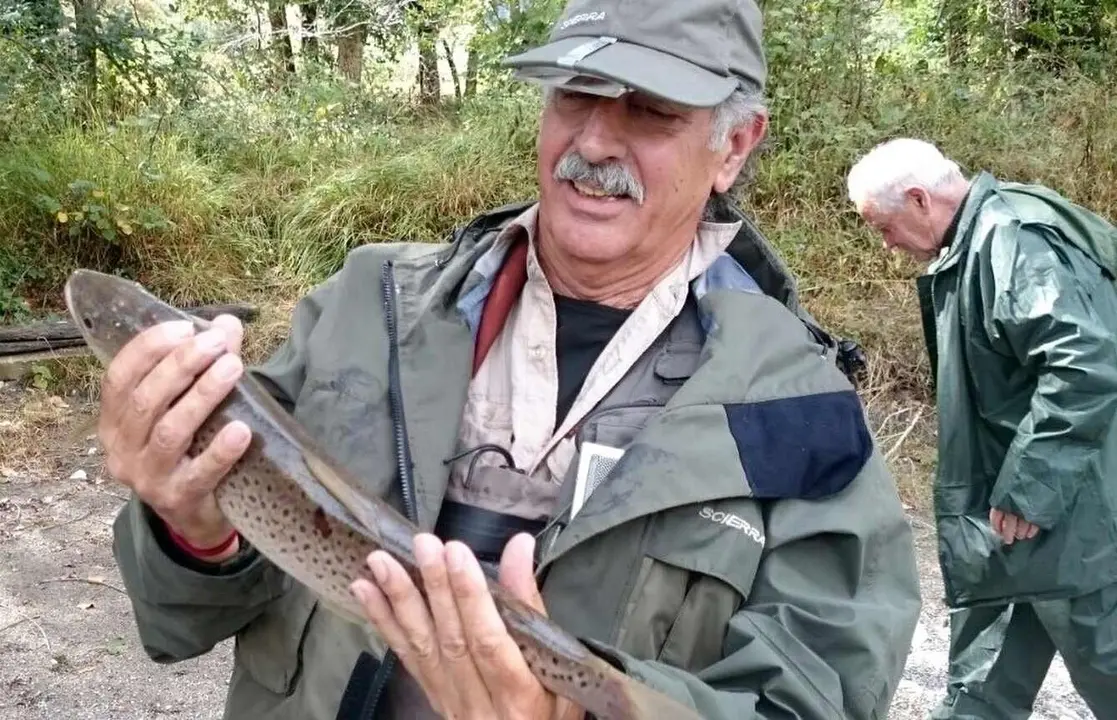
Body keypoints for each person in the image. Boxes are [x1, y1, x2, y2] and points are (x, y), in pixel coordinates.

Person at [96, 1, 922, 718]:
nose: (595, 140)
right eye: (576, 94)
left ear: (734, 144)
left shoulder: (799, 408)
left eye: (652, 111)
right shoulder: (364, 300)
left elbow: (822, 692)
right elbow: (181, 619)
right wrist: (190, 529)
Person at [847, 137, 1117, 719]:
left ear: (919, 199)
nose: (887, 244)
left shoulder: (1012, 239)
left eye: (884, 226)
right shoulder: (984, 234)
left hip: (1069, 515)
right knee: (980, 687)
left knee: (1107, 665)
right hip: (1005, 517)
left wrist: (1030, 489)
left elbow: (1085, 363)